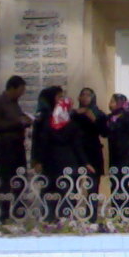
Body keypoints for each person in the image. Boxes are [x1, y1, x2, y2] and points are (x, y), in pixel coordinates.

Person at [30, 85, 83, 221]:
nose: (62, 100)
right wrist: (37, 160)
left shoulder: (67, 116)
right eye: (59, 97)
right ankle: (49, 221)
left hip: (66, 161)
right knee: (49, 192)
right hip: (49, 161)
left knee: (67, 193)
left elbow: (75, 140)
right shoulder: (43, 118)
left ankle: (65, 222)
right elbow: (38, 140)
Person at [0, 74, 31, 222]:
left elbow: (19, 120)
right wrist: (18, 122)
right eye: (20, 90)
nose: (21, 94)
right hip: (5, 146)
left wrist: (27, 121)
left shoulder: (15, 104)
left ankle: (20, 211)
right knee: (5, 179)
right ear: (12, 88)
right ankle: (4, 213)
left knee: (20, 178)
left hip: (18, 145)